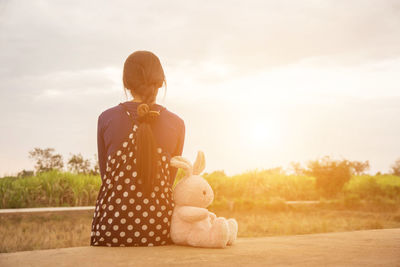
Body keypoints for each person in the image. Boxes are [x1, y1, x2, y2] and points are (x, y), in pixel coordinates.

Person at [90, 51, 185, 247]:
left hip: (110, 229)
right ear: (160, 82)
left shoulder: (106, 118)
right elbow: (169, 180)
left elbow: (106, 176)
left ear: (126, 83)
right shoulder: (177, 124)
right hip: (158, 230)